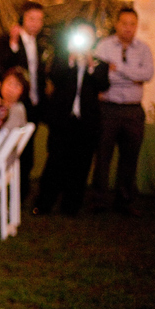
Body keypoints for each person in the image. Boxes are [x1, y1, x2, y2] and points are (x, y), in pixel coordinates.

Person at [34, 19, 110, 216]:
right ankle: (44, 204)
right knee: (55, 162)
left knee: (81, 165)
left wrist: (91, 65)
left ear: (94, 38)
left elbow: (103, 85)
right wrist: (71, 60)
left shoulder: (100, 63)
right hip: (62, 120)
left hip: (87, 122)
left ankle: (71, 206)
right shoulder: (62, 57)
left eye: (88, 35)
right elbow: (54, 78)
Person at [92, 7, 154, 216]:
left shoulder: (144, 49)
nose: (128, 28)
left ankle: (124, 201)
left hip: (133, 111)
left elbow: (147, 74)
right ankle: (98, 200)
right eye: (124, 23)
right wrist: (133, 77)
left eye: (132, 24)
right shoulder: (104, 46)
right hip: (108, 108)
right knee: (102, 156)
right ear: (117, 24)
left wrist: (118, 69)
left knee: (130, 157)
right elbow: (101, 78)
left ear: (136, 26)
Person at [0, 0, 47, 200]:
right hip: (15, 103)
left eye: (39, 20)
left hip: (34, 103)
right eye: (31, 19)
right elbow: (1, 66)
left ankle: (20, 193)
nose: (36, 23)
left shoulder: (41, 44)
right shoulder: (9, 39)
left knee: (28, 149)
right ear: (22, 19)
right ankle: (2, 192)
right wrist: (14, 44)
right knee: (9, 147)